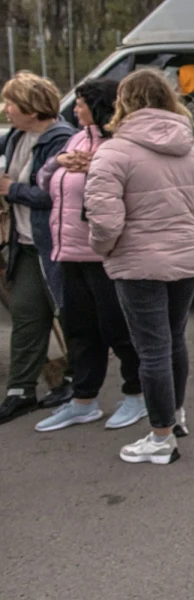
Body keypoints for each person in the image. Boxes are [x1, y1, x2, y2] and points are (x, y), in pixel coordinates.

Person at [85, 69, 194, 465]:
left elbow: (105, 221)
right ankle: (175, 416)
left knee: (152, 350)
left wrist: (103, 250)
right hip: (184, 260)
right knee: (174, 340)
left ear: (123, 102)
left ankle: (161, 438)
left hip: (137, 264)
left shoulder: (113, 152)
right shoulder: (188, 150)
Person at [33, 79, 148, 433]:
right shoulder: (75, 140)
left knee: (118, 329)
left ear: (98, 106)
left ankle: (137, 394)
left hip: (104, 254)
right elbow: (43, 182)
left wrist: (96, 167)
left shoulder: (121, 143)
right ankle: (83, 400)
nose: (75, 108)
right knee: (80, 330)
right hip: (69, 252)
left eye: (81, 103)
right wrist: (59, 161)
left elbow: (133, 187)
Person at [0, 72, 76, 424]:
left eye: (11, 103)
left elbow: (55, 194)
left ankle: (76, 382)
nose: (5, 109)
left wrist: (12, 190)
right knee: (27, 315)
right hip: (26, 243)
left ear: (31, 109)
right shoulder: (16, 137)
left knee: (69, 315)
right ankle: (20, 391)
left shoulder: (62, 139)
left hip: (58, 245)